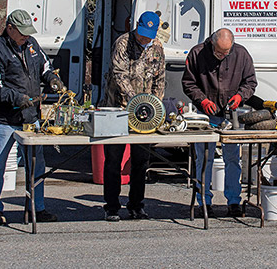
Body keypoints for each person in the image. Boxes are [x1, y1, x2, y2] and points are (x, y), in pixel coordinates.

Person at [0, 9, 64, 225]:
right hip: (5, 119)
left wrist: (52, 79)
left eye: (28, 32)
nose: (26, 36)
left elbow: (46, 67)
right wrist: (17, 98)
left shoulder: (32, 45)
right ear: (10, 28)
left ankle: (38, 207)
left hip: (31, 118)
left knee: (37, 165)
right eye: (22, 32)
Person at [182, 28, 257, 217]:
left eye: (226, 52)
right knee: (203, 159)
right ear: (212, 43)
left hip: (231, 114)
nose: (223, 56)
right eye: (219, 52)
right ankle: (204, 202)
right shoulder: (197, 53)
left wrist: (240, 97)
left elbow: (250, 82)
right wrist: (202, 100)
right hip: (205, 115)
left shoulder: (241, 54)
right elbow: (188, 83)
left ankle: (233, 202)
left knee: (232, 159)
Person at [102, 11, 165, 221]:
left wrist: (155, 105)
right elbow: (119, 74)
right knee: (113, 160)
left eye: (148, 35)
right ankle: (111, 206)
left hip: (145, 114)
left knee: (141, 161)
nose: (143, 38)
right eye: (141, 33)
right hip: (118, 110)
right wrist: (135, 100)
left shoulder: (157, 48)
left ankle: (137, 204)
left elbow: (160, 79)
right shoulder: (123, 43)